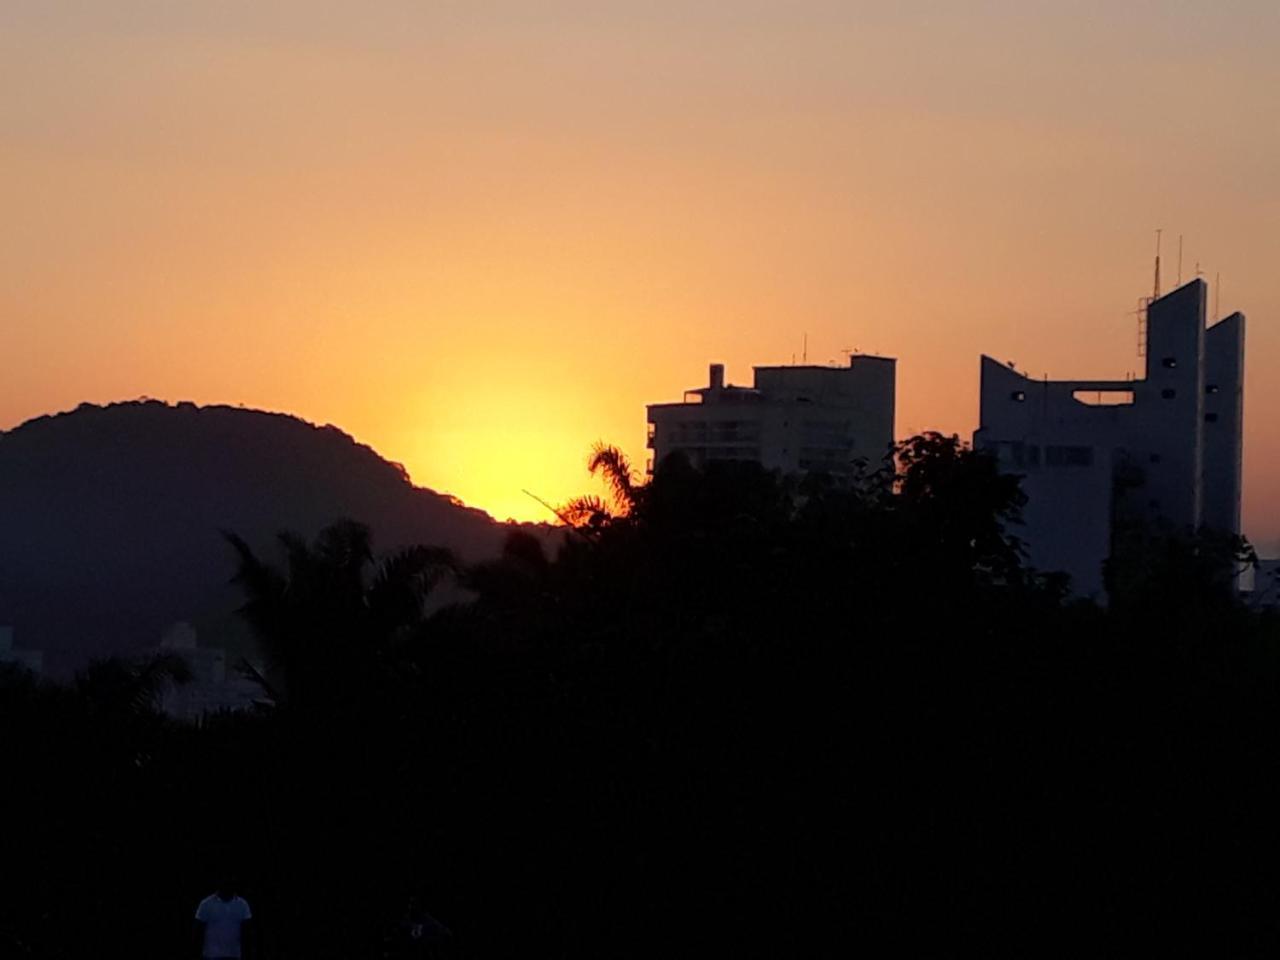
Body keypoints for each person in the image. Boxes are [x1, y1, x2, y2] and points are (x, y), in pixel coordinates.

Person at [194, 879, 253, 960]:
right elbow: (198, 931)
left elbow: (247, 932)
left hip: (234, 954)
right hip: (211, 955)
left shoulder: (242, 904)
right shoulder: (206, 904)